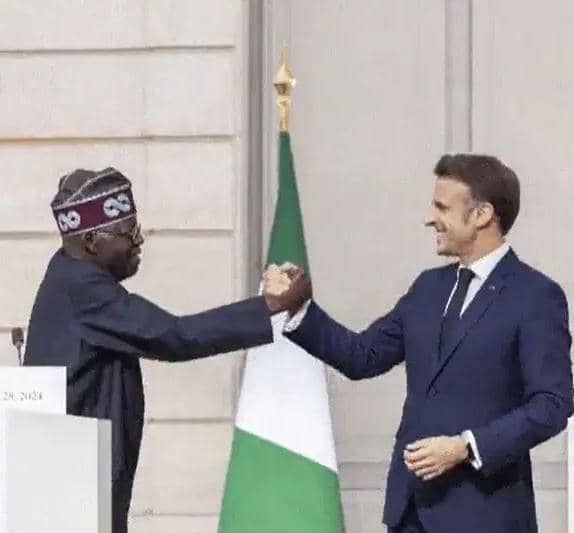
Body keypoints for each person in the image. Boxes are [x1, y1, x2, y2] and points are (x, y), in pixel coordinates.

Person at [266, 154, 573, 532]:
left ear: (482, 214)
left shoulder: (535, 296)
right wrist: (298, 307)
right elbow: (363, 356)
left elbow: (552, 404)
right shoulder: (428, 287)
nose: (429, 218)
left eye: (442, 207)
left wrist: (465, 447)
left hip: (486, 515)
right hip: (409, 512)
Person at [24, 167, 295, 533]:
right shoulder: (83, 289)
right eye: (128, 232)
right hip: (72, 501)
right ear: (91, 240)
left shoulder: (65, 273)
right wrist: (270, 305)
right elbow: (176, 336)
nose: (139, 241)